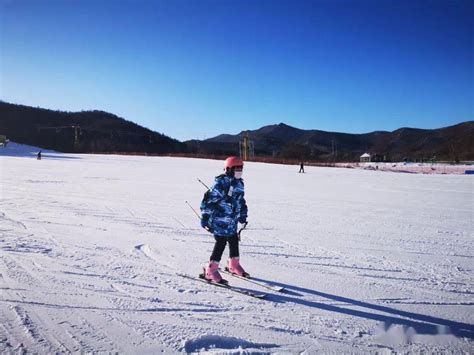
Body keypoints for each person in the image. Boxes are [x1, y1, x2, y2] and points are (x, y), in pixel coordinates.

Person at [200, 156, 248, 284]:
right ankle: (210, 270)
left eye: (241, 168)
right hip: (220, 220)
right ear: (228, 169)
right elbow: (208, 201)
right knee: (221, 242)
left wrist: (243, 213)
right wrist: (205, 217)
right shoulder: (221, 184)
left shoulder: (239, 183)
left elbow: (241, 200)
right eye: (236, 168)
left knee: (233, 240)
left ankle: (234, 264)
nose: (239, 171)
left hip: (232, 220)